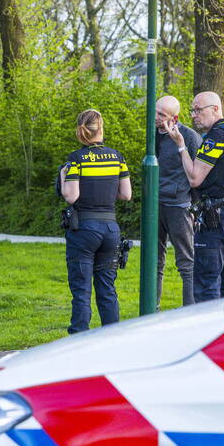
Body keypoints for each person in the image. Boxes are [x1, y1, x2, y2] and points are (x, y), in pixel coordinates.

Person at [166, 91, 224, 301]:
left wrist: (181, 145)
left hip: (214, 218)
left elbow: (194, 179)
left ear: (216, 109)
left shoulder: (215, 138)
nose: (193, 115)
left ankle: (208, 331)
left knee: (206, 283)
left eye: (198, 110)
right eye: (192, 110)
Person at [59, 109, 132, 334]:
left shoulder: (76, 159)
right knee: (107, 289)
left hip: (84, 230)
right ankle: (112, 339)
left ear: (80, 131)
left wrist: (63, 177)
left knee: (82, 291)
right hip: (111, 229)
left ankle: (78, 339)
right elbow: (126, 194)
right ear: (101, 129)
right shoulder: (117, 157)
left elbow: (71, 196)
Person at [154, 95, 201, 308]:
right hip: (155, 204)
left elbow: (199, 176)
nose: (156, 118)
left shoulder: (190, 138)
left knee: (186, 261)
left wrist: (195, 208)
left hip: (179, 204)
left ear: (175, 118)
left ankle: (189, 309)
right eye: (155, 112)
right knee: (154, 261)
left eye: (161, 115)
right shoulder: (152, 135)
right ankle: (151, 309)